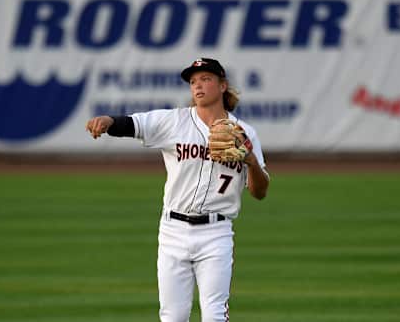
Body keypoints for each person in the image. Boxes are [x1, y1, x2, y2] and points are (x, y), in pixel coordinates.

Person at [85, 57, 270, 322]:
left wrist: (250, 160)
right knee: (173, 316)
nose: (198, 85)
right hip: (173, 231)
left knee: (215, 316)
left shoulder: (245, 133)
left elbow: (260, 192)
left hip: (216, 233)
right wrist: (108, 121)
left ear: (222, 86)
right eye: (193, 81)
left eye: (205, 79)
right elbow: (133, 124)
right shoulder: (174, 122)